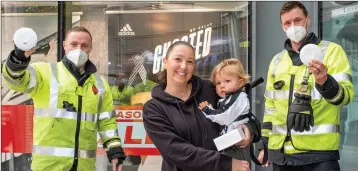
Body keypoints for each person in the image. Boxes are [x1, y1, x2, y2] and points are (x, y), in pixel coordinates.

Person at [2, 26, 125, 171]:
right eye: (74, 44)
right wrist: (19, 58)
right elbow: (17, 81)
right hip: (48, 167)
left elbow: (107, 122)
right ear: (65, 45)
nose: (79, 49)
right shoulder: (45, 72)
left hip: (84, 167)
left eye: (84, 45)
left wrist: (114, 151)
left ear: (90, 48)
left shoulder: (100, 84)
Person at [258, 1, 354, 171]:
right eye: (287, 23)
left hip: (319, 155)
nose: (293, 26)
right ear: (282, 26)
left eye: (298, 20)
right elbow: (270, 107)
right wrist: (265, 143)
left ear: (307, 20)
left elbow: (345, 97)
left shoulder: (331, 52)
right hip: (282, 156)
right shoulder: (277, 61)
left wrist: (325, 82)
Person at [142, 41, 257, 171]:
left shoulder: (210, 89)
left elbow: (242, 113)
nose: (184, 66)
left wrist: (249, 129)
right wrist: (226, 163)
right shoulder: (154, 109)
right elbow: (176, 151)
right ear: (165, 61)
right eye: (178, 59)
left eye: (190, 61)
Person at [197, 58, 251, 161]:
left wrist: (207, 110)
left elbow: (225, 116)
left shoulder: (240, 97)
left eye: (227, 81)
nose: (222, 85)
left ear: (240, 82)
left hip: (237, 146)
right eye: (218, 83)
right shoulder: (225, 99)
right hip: (228, 144)